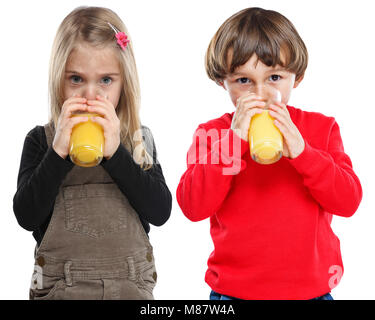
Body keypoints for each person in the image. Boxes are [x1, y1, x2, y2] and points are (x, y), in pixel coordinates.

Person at [176, 7, 362, 300]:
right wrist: (234, 141)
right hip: (233, 293)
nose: (260, 93)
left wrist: (303, 153)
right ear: (222, 81)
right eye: (243, 81)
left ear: (296, 77)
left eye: (274, 77)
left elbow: (349, 202)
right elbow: (193, 206)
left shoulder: (320, 128)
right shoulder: (213, 133)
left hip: (311, 293)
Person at [13, 6, 171, 300]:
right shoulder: (41, 140)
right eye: (76, 79)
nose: (90, 96)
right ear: (58, 79)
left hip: (130, 287)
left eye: (106, 81)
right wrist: (59, 151)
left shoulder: (138, 139)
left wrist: (116, 153)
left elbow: (160, 211)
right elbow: (26, 216)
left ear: (124, 83)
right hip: (61, 288)